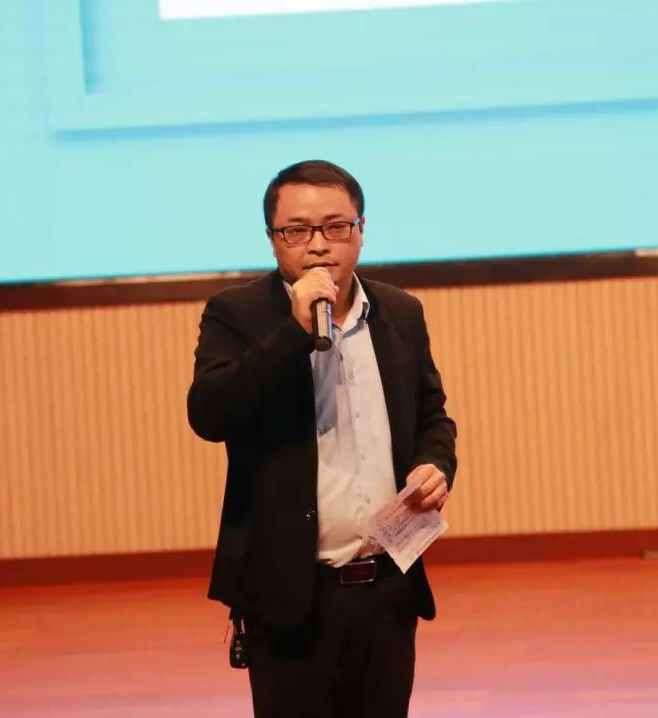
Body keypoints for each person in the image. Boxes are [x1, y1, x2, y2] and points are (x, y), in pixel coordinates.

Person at [187, 159, 457, 718]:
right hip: (291, 595)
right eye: (297, 231)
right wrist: (293, 331)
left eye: (335, 226)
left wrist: (435, 463)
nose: (317, 245)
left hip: (387, 585)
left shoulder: (400, 312)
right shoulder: (237, 313)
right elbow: (209, 414)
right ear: (272, 239)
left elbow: (433, 416)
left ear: (361, 230)